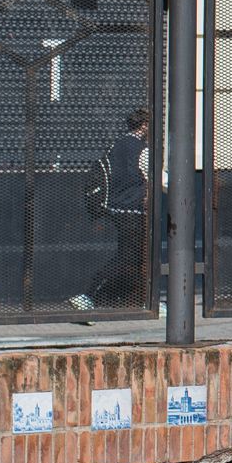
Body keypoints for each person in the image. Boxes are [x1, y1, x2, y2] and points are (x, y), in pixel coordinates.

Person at [70, 109, 150, 313]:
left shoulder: (117, 145)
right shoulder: (141, 149)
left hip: (115, 207)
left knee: (133, 255)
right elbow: (156, 177)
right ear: (144, 126)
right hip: (133, 208)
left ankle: (142, 299)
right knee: (130, 256)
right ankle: (88, 296)